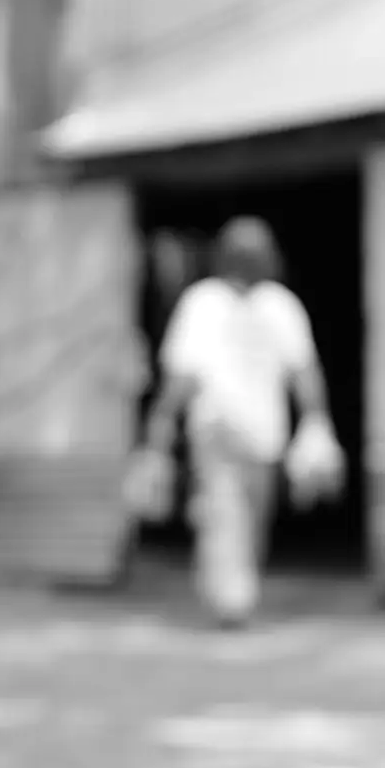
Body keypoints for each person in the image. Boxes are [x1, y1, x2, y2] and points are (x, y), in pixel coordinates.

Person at [144, 217, 341, 626]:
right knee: (224, 511)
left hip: (265, 438)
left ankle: (233, 590)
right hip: (217, 429)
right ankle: (230, 599)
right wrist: (160, 428)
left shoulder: (279, 305)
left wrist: (317, 424)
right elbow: (183, 375)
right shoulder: (204, 302)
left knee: (250, 517)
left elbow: (302, 369)